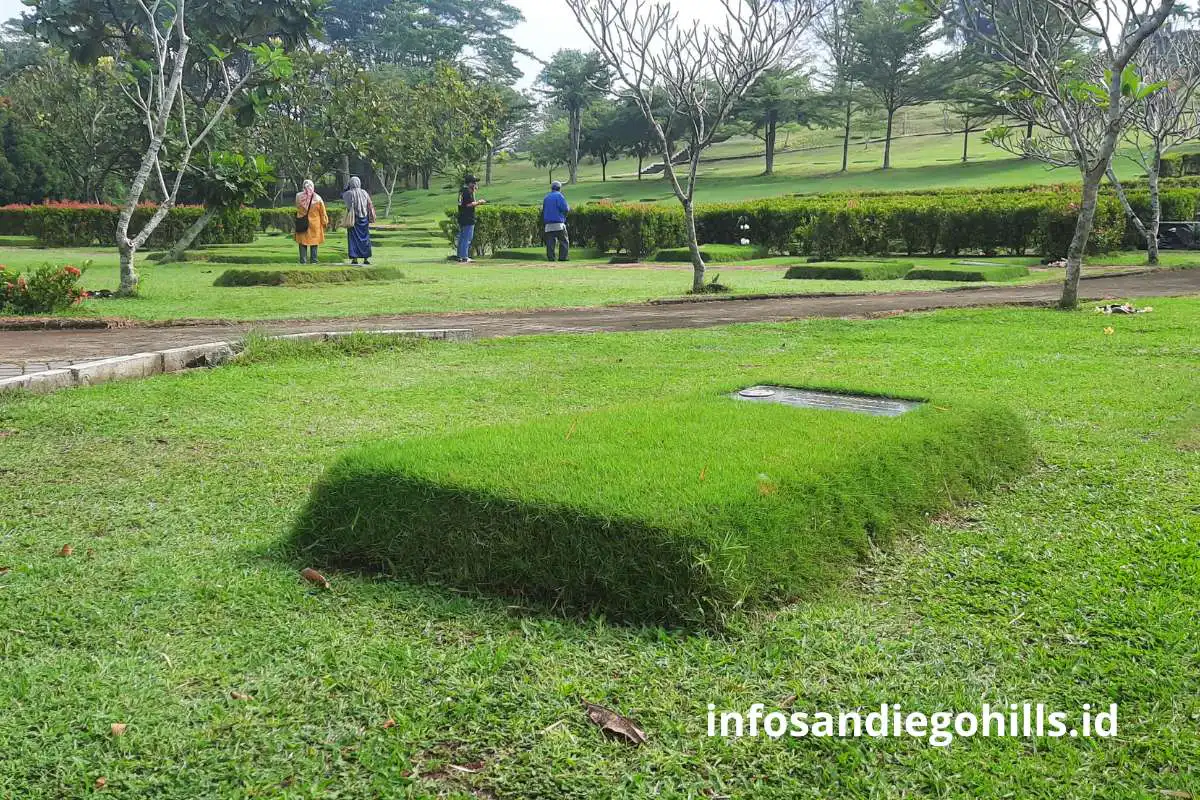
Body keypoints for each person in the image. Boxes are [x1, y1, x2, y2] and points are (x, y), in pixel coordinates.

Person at [343, 176, 377, 265]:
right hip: (364, 219)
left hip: (354, 219)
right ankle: (366, 258)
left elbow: (346, 203)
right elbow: (369, 204)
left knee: (353, 239)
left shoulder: (348, 194)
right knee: (365, 239)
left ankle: (354, 258)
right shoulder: (364, 193)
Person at [294, 180, 329, 264]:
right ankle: (314, 260)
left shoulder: (298, 196)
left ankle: (303, 260)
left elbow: (297, 207)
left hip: (302, 223)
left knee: (302, 243)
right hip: (315, 224)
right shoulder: (317, 198)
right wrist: (325, 222)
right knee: (314, 242)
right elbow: (322, 212)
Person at [456, 175, 486, 263]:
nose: (475, 184)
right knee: (467, 238)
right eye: (474, 182)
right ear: (469, 183)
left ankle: (460, 256)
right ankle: (465, 256)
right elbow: (468, 204)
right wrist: (479, 202)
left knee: (462, 237)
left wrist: (473, 192)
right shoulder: (467, 192)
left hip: (462, 216)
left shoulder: (462, 190)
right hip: (468, 217)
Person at [541, 180, 570, 262]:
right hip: (559, 224)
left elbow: (543, 211)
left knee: (550, 243)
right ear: (559, 188)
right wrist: (564, 217)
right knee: (564, 241)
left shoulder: (546, 197)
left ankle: (551, 258)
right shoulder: (559, 196)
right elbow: (566, 209)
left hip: (548, 225)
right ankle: (563, 258)